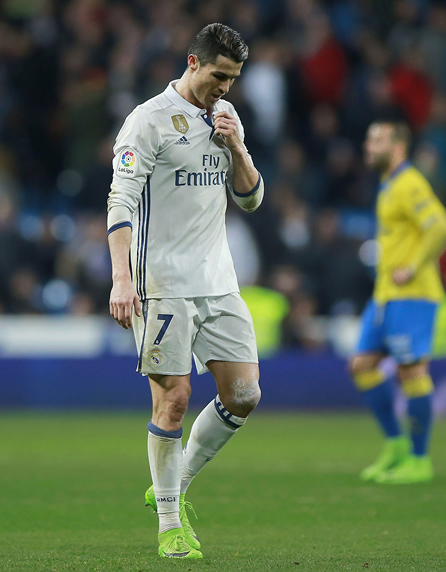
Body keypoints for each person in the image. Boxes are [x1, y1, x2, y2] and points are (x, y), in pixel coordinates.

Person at [107, 24, 263, 559]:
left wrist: (237, 146)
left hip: (218, 280)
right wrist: (122, 278)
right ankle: (170, 525)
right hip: (163, 284)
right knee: (172, 400)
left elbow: (251, 200)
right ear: (193, 61)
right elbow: (120, 203)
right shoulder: (147, 122)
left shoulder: (227, 117)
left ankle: (172, 487)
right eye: (220, 75)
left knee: (243, 395)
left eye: (234, 79)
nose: (226, 87)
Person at [349, 122, 446, 484]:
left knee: (412, 371)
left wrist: (412, 266)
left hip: (413, 295)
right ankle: (396, 445)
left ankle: (420, 460)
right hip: (385, 296)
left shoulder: (409, 183)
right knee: (362, 365)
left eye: (376, 139)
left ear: (398, 147)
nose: (368, 145)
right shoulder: (388, 185)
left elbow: (440, 226)